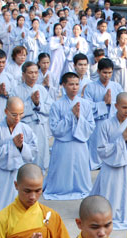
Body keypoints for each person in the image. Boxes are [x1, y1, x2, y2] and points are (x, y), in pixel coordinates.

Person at [0, 97, 38, 229]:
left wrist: (21, 147)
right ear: (6, 111)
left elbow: (33, 151)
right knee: (0, 200)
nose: (17, 118)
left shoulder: (26, 129)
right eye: (14, 114)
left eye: (20, 114)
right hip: (1, 173)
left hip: (19, 173)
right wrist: (12, 145)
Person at [89, 92, 127, 230]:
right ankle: (106, 215)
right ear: (116, 106)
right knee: (109, 191)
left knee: (125, 191)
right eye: (124, 107)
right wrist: (121, 141)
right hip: (110, 167)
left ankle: (123, 214)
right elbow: (101, 149)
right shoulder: (106, 125)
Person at [42, 72, 96, 200]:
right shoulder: (56, 105)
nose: (74, 87)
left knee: (80, 171)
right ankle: (60, 189)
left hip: (80, 144)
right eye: (71, 84)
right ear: (64, 85)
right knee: (62, 171)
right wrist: (70, 116)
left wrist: (78, 118)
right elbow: (55, 129)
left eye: (77, 84)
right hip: (63, 144)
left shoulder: (85, 104)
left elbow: (91, 126)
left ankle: (80, 188)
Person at [83, 57, 124, 170]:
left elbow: (122, 103)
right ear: (98, 71)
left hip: (112, 120)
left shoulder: (116, 87)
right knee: (97, 143)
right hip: (97, 122)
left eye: (110, 73)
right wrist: (103, 104)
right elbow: (87, 106)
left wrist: (111, 103)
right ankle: (96, 163)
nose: (107, 75)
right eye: (104, 72)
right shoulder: (90, 87)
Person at [12, 61, 53, 171]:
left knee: (40, 154)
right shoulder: (16, 90)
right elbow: (15, 110)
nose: (34, 75)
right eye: (30, 72)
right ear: (23, 74)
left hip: (40, 126)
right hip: (25, 127)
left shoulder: (42, 89)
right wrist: (31, 103)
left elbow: (50, 107)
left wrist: (38, 104)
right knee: (26, 155)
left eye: (36, 72)